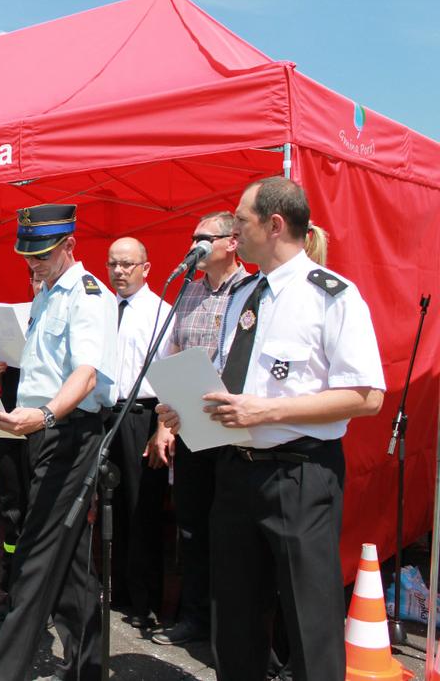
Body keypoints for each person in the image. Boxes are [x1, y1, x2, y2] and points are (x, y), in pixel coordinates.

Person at [157, 177, 385, 680]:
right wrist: (189, 410)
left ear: (275, 225)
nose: (234, 233)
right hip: (235, 472)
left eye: (241, 221)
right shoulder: (245, 296)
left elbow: (367, 396)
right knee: (234, 624)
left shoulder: (332, 297)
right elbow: (230, 380)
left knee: (309, 624)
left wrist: (267, 413)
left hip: (300, 478)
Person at [0, 204, 118, 680]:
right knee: (71, 566)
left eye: (41, 254)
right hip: (41, 433)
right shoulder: (46, 293)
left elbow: (85, 375)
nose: (33, 264)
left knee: (37, 561)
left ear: (69, 246)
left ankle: (3, 673)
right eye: (27, 255)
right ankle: (89, 667)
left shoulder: (87, 295)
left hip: (68, 434)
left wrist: (42, 415)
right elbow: (47, 367)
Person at [145, 210, 248, 647]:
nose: (194, 246)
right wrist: (163, 424)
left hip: (237, 433)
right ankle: (194, 616)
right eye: (192, 238)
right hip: (191, 430)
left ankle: (234, 624)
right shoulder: (186, 292)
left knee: (233, 531)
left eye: (204, 238)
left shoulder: (252, 292)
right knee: (192, 526)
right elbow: (171, 357)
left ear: (231, 242)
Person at [105, 237, 171, 629]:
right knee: (109, 505)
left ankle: (145, 600)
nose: (119, 272)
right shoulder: (102, 309)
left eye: (128, 264)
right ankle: (117, 589)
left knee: (141, 509)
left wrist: (162, 426)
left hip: (142, 416)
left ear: (146, 268)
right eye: (113, 264)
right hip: (105, 415)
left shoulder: (160, 312)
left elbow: (166, 374)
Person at [0, 269, 44, 622]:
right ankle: (13, 590)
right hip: (8, 423)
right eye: (33, 278)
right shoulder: (18, 316)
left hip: (43, 425)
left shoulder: (63, 317)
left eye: (42, 276)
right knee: (11, 509)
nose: (37, 283)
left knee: (40, 512)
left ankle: (40, 596)